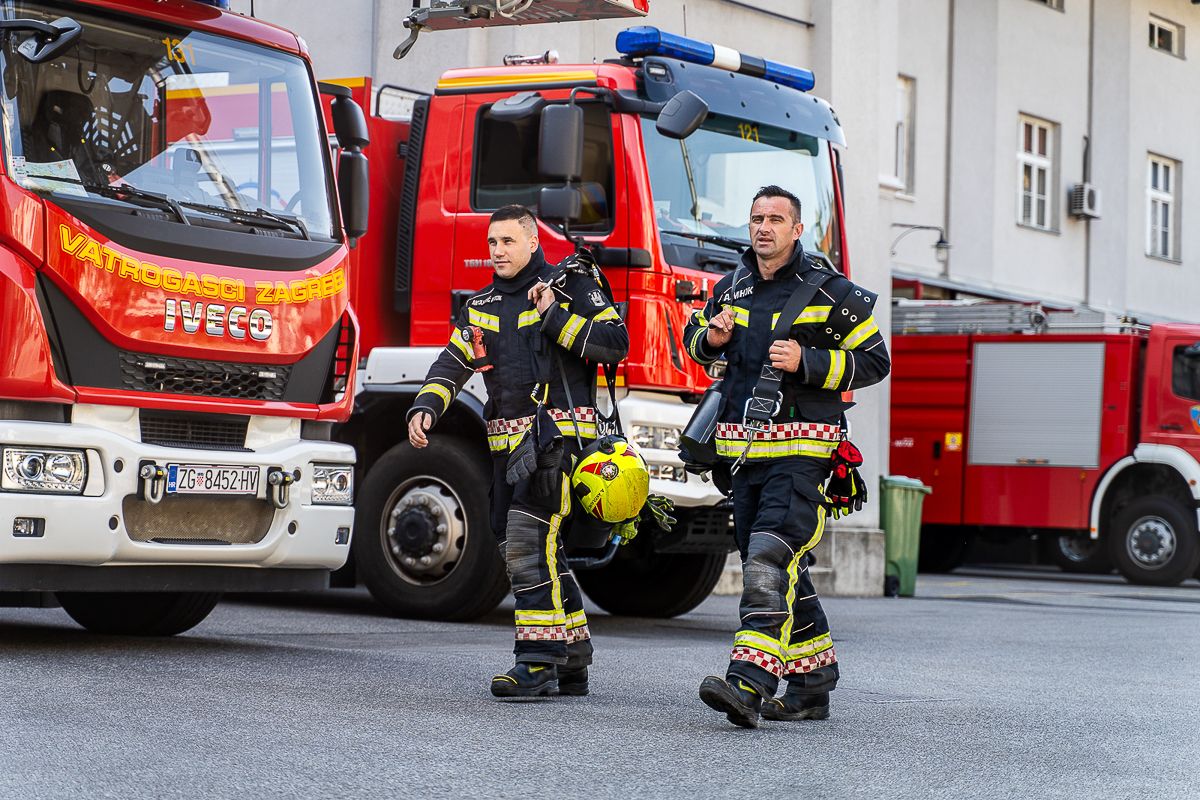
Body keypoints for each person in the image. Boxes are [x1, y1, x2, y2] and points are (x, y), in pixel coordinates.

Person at [682, 185, 890, 727]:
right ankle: (812, 686)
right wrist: (712, 339)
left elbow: (875, 361)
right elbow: (694, 345)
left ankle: (747, 685)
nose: (764, 227)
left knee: (770, 557)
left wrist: (810, 361)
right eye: (757, 218)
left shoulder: (833, 292)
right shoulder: (731, 287)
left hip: (807, 454)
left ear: (798, 230)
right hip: (744, 457)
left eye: (776, 218)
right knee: (773, 564)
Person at [407, 204, 629, 699]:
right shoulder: (481, 303)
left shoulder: (569, 284)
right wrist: (425, 407)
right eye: (492, 243)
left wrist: (554, 314)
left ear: (533, 242)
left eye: (508, 241)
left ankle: (537, 660)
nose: (498, 251)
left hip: (558, 447)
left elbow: (616, 343)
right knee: (527, 549)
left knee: (528, 543)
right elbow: (451, 363)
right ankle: (572, 656)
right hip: (506, 454)